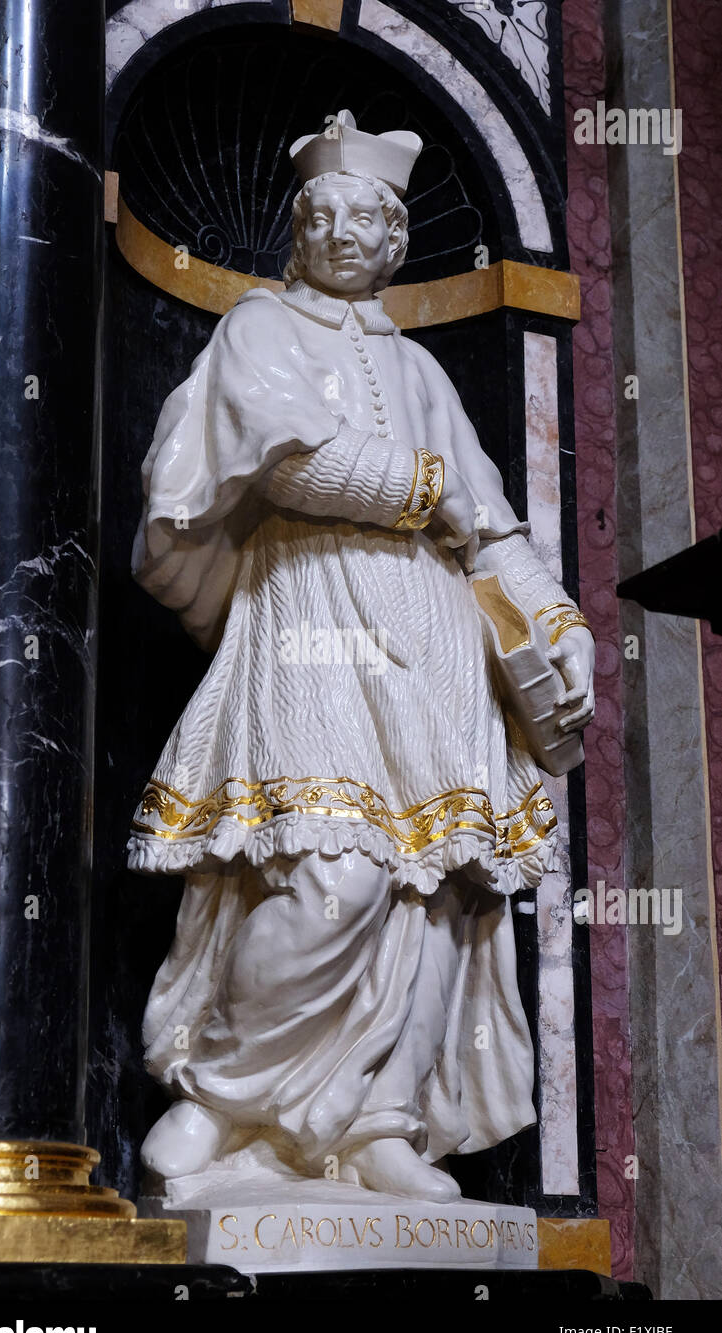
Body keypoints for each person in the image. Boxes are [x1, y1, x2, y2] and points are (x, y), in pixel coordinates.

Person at [128, 112, 595, 1202]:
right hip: (310, 624)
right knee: (326, 875)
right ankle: (219, 1097)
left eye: (369, 219)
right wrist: (423, 490)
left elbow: (492, 529)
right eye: (324, 214)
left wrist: (558, 619)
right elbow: (290, 461)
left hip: (433, 647)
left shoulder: (424, 370)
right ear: (299, 231)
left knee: (426, 887)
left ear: (394, 244)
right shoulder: (258, 330)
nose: (345, 232)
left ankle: (380, 1121)